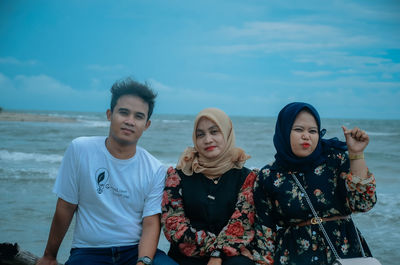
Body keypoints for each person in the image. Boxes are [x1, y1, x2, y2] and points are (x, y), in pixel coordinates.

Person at [37, 78, 177, 265]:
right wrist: (49, 256)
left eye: (138, 116)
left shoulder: (155, 169)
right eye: (123, 112)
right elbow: (66, 206)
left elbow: (151, 223)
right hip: (88, 251)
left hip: (134, 250)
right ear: (110, 114)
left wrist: (143, 262)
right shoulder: (80, 150)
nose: (130, 121)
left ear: (147, 124)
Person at [253, 102, 377, 265]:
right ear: (283, 131)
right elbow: (265, 234)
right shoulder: (268, 175)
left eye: (313, 131)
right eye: (298, 129)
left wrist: (356, 154)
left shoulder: (335, 160)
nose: (307, 136)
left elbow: (363, 204)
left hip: (345, 254)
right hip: (294, 257)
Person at [161, 108, 260, 265]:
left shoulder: (247, 178)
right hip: (187, 256)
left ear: (227, 133)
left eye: (214, 132)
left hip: (232, 256)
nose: (208, 140)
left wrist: (220, 253)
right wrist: (215, 250)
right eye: (201, 134)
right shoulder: (178, 175)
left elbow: (242, 222)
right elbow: (172, 223)